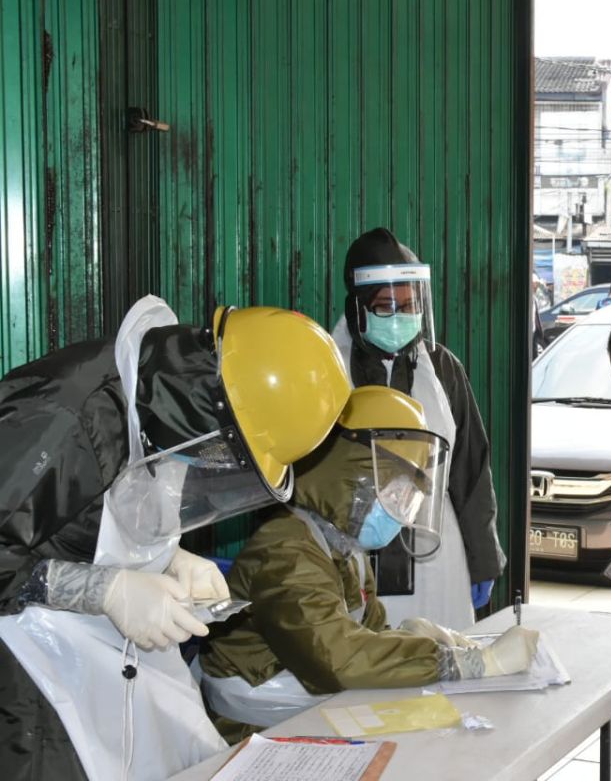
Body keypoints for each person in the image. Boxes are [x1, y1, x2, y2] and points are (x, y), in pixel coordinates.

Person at [0, 296, 351, 780]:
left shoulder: (163, 402)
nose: (216, 464)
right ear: (214, 407)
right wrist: (105, 590)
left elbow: (103, 513)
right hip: (21, 654)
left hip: (92, 645)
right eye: (229, 453)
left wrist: (168, 558)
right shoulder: (64, 419)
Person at [201, 385, 538, 741]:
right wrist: (466, 663)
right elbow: (339, 659)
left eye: (409, 495)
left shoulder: (344, 548)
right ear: (350, 477)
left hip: (302, 713)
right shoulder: (286, 550)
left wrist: (411, 639)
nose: (401, 507)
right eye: (395, 490)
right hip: (252, 735)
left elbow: (367, 635)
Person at [332, 227, 504, 631]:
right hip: (352, 550)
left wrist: (483, 558)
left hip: (434, 549)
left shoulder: (443, 368)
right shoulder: (325, 367)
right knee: (365, 666)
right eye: (386, 306)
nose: (401, 317)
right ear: (358, 308)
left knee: (440, 655)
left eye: (410, 305)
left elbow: (471, 471)